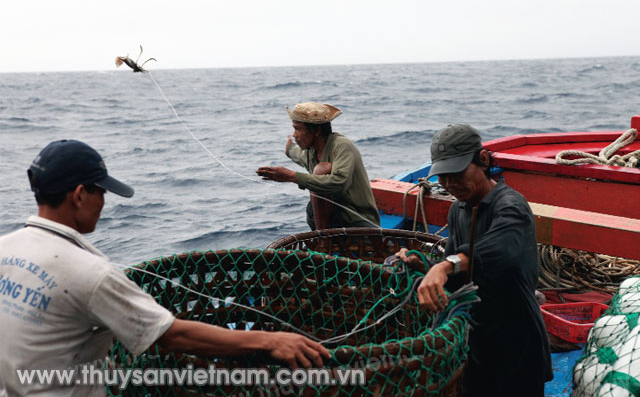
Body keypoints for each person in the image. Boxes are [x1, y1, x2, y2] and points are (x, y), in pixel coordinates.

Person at [0, 140, 329, 396]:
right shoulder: (90, 273)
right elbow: (172, 336)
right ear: (79, 195)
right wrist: (270, 342)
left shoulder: (5, 248)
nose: (103, 202)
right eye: (101, 191)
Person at [397, 124, 552, 397]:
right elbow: (458, 274)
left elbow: (498, 252)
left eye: (457, 173)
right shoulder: (458, 209)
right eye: (443, 177)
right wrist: (424, 266)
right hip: (476, 336)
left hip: (517, 338)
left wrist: (445, 267)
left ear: (482, 160)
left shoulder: (511, 205)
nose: (450, 184)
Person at [256, 102, 380, 230]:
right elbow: (297, 154)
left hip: (358, 221)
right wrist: (289, 148)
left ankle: (323, 240)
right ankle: (323, 237)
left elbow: (339, 181)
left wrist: (292, 177)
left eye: (298, 129)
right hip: (333, 222)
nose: (294, 135)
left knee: (321, 170)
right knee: (311, 207)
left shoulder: (342, 146)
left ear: (317, 131)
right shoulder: (310, 151)